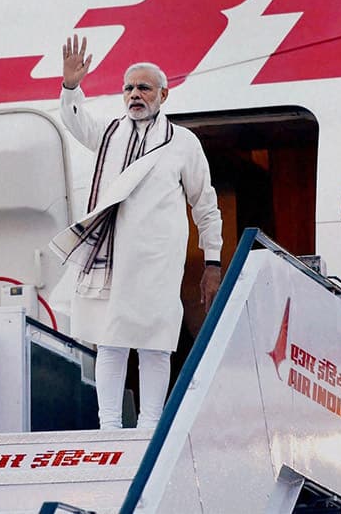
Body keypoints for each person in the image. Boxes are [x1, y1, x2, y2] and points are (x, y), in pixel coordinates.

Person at [49, 34, 223, 429]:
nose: (134, 94)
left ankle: (150, 428)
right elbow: (76, 121)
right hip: (112, 258)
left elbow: (206, 206)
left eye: (144, 87)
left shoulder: (183, 143)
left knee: (156, 344)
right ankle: (109, 427)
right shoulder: (109, 133)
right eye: (128, 87)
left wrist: (212, 261)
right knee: (110, 341)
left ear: (164, 94)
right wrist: (71, 86)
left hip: (158, 259)